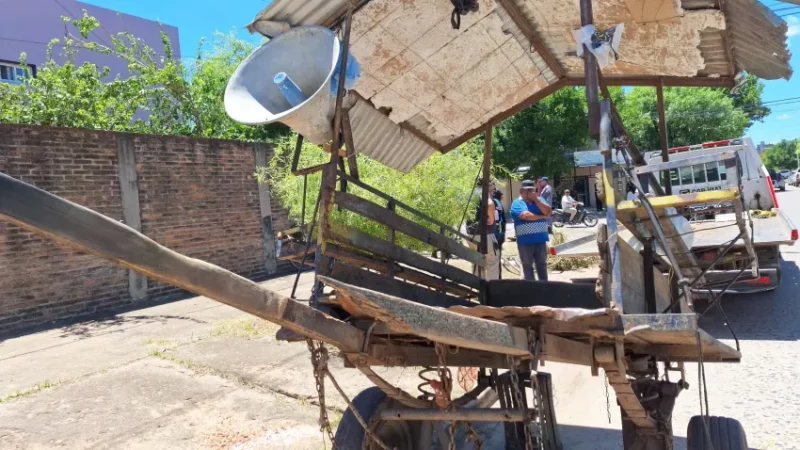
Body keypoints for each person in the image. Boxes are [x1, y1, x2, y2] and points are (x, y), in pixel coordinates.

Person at [511, 180, 552, 281]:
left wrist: (537, 200)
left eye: (532, 190)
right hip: (526, 242)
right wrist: (542, 216)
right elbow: (526, 216)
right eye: (527, 190)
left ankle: (544, 287)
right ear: (521, 191)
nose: (531, 192)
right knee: (528, 266)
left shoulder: (539, 200)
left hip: (541, 240)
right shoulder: (517, 203)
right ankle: (531, 289)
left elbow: (548, 211)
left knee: (542, 265)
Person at [466, 180, 500, 280]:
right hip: (485, 234)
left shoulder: (469, 193)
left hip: (471, 233)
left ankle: (477, 288)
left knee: (476, 262)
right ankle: (492, 290)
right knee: (491, 262)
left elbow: (458, 207)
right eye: (490, 184)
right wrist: (491, 217)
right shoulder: (484, 193)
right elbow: (489, 204)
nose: (492, 186)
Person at [492, 190, 507, 279]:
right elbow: (503, 220)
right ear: (500, 196)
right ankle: (498, 277)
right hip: (498, 235)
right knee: (496, 257)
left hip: (496, 234)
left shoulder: (492, 202)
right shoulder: (497, 203)